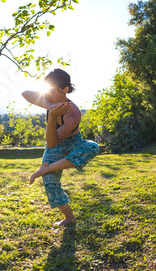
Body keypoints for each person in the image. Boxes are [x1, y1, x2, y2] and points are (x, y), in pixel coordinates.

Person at [22, 68, 99, 226]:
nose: (48, 93)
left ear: (65, 90)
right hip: (53, 146)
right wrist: (51, 110)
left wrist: (54, 114)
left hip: (73, 142)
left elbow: (56, 139)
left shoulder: (73, 113)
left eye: (52, 89)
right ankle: (69, 218)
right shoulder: (48, 98)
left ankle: (47, 168)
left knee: (93, 146)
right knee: (49, 182)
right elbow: (26, 93)